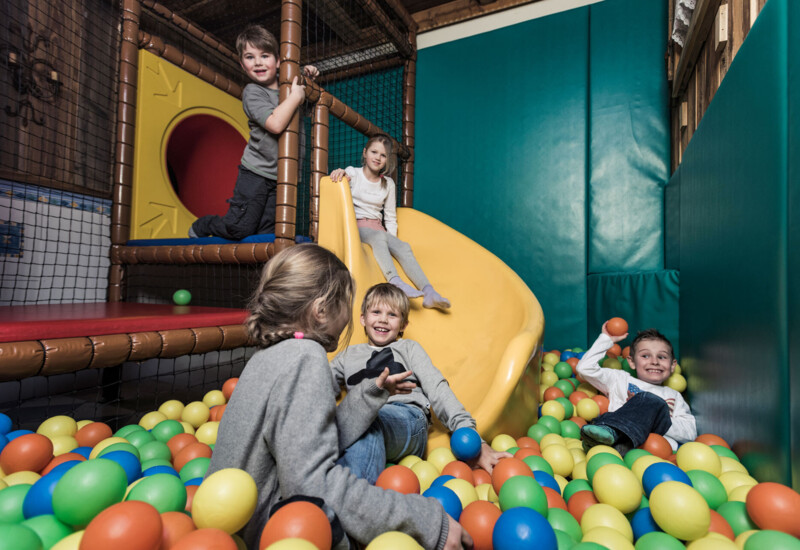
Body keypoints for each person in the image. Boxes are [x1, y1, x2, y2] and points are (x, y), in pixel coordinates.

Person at [205, 244, 471, 550]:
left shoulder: (267, 355)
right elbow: (312, 485)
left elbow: (305, 440)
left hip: (231, 529)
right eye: (347, 302)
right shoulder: (307, 358)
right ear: (321, 310)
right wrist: (425, 521)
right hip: (283, 533)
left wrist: (371, 394)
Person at [331, 282, 510, 484]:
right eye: (376, 312)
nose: (383, 319)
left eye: (392, 315)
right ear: (363, 318)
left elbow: (437, 387)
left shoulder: (408, 348)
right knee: (352, 421)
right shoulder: (347, 356)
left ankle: (353, 501)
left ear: (403, 325)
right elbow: (320, 382)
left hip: (406, 418)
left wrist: (470, 435)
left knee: (367, 420)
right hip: (362, 416)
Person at [189, 25, 318, 240]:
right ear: (242, 65)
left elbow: (308, 108)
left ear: (278, 61)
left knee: (267, 233)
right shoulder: (253, 92)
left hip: (285, 177)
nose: (258, 62)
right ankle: (204, 225)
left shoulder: (290, 89)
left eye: (264, 55)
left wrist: (308, 80)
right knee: (239, 228)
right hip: (256, 173)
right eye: (250, 57)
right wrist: (296, 97)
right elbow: (275, 124)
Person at [329, 135, 450, 309]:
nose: (378, 157)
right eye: (374, 152)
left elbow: (390, 217)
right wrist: (339, 173)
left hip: (378, 229)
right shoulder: (353, 174)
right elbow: (340, 185)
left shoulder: (388, 184)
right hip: (358, 227)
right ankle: (395, 280)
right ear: (365, 153)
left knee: (404, 247)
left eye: (383, 155)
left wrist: (392, 241)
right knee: (379, 237)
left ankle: (429, 291)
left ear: (387, 160)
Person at [576, 322, 697, 455]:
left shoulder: (673, 395)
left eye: (661, 357)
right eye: (645, 356)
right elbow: (584, 369)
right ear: (632, 362)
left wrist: (653, 417)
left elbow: (690, 432)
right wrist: (606, 340)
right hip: (616, 447)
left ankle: (610, 440)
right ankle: (609, 435)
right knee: (645, 399)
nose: (654, 361)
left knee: (650, 400)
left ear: (673, 365)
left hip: (656, 453)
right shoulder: (620, 379)